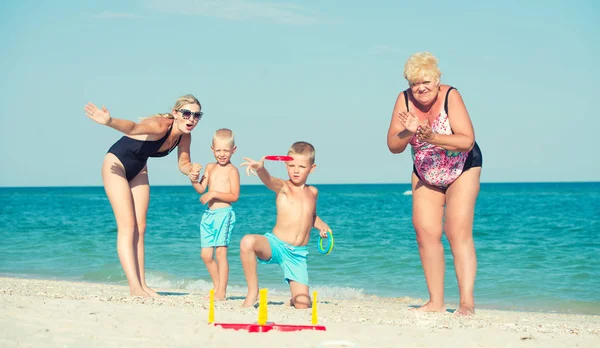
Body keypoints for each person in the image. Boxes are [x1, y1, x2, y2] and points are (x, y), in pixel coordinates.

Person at [386, 52, 483, 316]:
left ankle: (466, 303)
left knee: (456, 230)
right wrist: (409, 131)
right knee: (425, 231)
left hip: (462, 166)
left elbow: (466, 140)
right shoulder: (403, 100)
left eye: (426, 81)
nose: (421, 88)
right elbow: (393, 146)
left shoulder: (451, 95)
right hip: (426, 171)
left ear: (437, 80)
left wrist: (432, 136)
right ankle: (436, 302)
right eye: (415, 83)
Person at [84, 94, 204, 297]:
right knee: (128, 226)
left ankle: (143, 285)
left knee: (140, 227)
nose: (191, 119)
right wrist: (109, 121)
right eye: (187, 113)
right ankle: (134, 287)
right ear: (176, 113)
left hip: (139, 168)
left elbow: (183, 163)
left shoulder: (185, 136)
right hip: (116, 164)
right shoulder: (159, 125)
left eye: (197, 115)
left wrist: (191, 169)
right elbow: (132, 128)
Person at [239, 141, 330, 309]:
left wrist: (322, 225)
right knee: (247, 241)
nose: (295, 170)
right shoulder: (284, 187)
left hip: (297, 255)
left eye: (301, 166)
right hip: (276, 244)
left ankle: (294, 298)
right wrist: (260, 169)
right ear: (286, 164)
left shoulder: (313, 192)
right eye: (291, 165)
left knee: (303, 305)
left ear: (312, 168)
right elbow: (269, 180)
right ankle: (253, 291)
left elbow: (312, 216)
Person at [189, 128, 240, 301]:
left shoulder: (232, 171)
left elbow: (234, 196)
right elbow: (201, 189)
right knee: (205, 255)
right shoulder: (210, 167)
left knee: (221, 254)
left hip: (224, 214)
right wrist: (193, 180)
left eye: (226, 150)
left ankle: (221, 292)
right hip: (209, 215)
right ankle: (217, 287)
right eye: (218, 150)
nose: (222, 154)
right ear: (212, 149)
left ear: (233, 150)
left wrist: (214, 193)